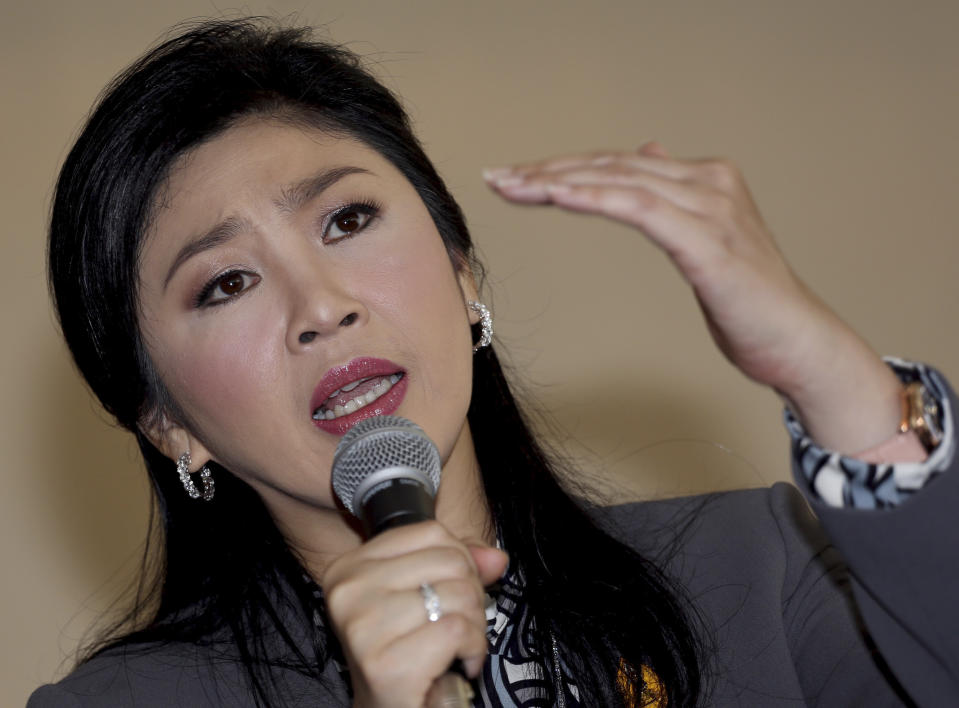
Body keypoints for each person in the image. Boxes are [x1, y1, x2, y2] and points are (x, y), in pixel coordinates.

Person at [28, 17, 957, 708]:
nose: (321, 307)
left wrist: (832, 379)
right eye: (226, 282)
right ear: (168, 425)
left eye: (347, 221)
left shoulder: (755, 569)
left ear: (462, 268)